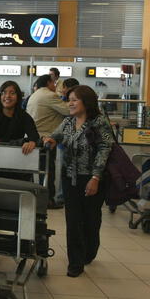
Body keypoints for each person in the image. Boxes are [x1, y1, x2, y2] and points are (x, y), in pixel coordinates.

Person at [43, 85, 114, 277]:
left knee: (91, 219)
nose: (70, 103)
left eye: (74, 99)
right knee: (73, 220)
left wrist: (95, 177)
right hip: (70, 178)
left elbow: (104, 149)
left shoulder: (98, 122)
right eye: (69, 99)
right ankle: (75, 262)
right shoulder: (68, 122)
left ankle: (89, 251)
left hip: (93, 178)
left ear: (86, 101)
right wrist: (49, 140)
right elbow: (55, 136)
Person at [27, 74, 70, 208]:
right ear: (48, 83)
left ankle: (41, 198)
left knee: (41, 170)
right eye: (54, 83)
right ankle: (48, 200)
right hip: (45, 138)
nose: (55, 86)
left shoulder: (35, 95)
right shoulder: (49, 95)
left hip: (36, 136)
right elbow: (68, 110)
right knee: (47, 170)